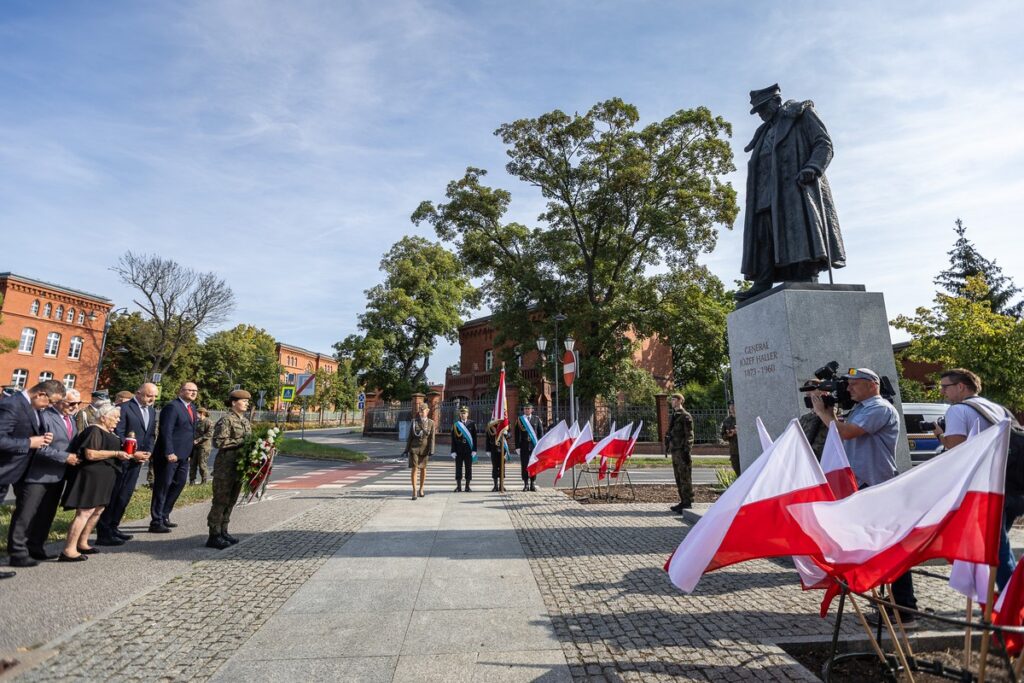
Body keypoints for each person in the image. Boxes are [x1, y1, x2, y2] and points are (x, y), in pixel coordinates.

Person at [811, 367, 916, 627]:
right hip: (864, 486)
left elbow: (845, 433)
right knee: (874, 547)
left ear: (872, 384)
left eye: (854, 384)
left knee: (891, 547)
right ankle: (887, 606)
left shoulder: (878, 408)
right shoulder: (860, 408)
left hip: (877, 485)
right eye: (848, 385)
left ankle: (904, 610)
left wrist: (825, 413)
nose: (849, 389)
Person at [736, 84, 846, 301]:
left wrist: (813, 167)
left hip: (793, 189)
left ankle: (806, 274)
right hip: (764, 193)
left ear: (776, 102)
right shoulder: (764, 132)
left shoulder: (801, 114)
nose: (761, 114)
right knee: (763, 236)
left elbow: (824, 144)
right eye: (757, 111)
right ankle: (763, 280)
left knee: (798, 231)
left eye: (763, 108)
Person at [933, 368, 1022, 589]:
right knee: (993, 546)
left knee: (996, 549)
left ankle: (1011, 607)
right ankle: (999, 599)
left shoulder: (958, 410)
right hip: (1013, 485)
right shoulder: (997, 408)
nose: (943, 392)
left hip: (987, 488)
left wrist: (939, 435)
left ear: (961, 386)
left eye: (945, 386)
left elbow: (957, 446)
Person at [5, 383, 71, 567]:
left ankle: (33, 547)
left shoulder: (39, 410)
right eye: (51, 401)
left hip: (51, 473)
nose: (49, 406)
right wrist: (31, 442)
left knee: (44, 514)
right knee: (26, 513)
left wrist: (43, 440)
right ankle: (17, 550)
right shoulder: (16, 406)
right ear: (41, 394)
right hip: (30, 472)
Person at [60, 403, 131, 562]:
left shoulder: (108, 432)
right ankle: (69, 549)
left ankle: (83, 542)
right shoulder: (94, 430)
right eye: (115, 417)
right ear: (104, 417)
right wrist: (116, 453)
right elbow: (90, 454)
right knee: (84, 512)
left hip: (105, 476)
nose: (118, 420)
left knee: (98, 510)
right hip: (91, 476)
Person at [96, 383, 157, 546]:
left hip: (137, 461)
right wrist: (132, 452)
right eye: (149, 395)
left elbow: (150, 434)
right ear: (139, 393)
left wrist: (148, 452)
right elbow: (118, 433)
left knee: (125, 495)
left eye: (154, 396)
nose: (152, 399)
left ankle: (114, 526)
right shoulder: (124, 408)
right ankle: (103, 531)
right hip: (122, 459)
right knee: (114, 494)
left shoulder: (151, 410)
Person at [206, 390, 253, 549]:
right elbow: (219, 442)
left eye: (247, 401)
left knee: (231, 501)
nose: (247, 403)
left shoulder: (245, 422)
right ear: (234, 403)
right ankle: (214, 535)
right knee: (220, 501)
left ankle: (224, 530)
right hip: (225, 468)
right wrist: (242, 441)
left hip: (239, 467)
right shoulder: (226, 420)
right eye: (244, 401)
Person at [150, 382, 198, 533]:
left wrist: (189, 453)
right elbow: (166, 431)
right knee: (163, 487)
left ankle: (165, 514)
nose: (193, 393)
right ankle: (156, 520)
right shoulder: (173, 407)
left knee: (179, 483)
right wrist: (169, 452)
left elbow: (189, 432)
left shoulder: (192, 408)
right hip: (169, 455)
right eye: (190, 390)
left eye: (195, 391)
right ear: (181, 391)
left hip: (184, 455)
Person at [666, 392, 694, 512]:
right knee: (678, 477)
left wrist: (687, 451)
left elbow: (690, 435)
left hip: (682, 451)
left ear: (679, 401)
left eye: (673, 400)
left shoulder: (685, 416)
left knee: (685, 477)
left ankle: (687, 502)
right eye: (671, 400)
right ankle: (682, 501)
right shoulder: (674, 416)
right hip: (675, 451)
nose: (672, 402)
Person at [404, 403, 435, 500]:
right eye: (420, 411)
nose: (421, 413)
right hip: (414, 448)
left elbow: (432, 438)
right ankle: (414, 490)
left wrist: (432, 449)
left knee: (423, 469)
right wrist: (406, 449)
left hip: (425, 449)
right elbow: (410, 437)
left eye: (423, 411)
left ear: (427, 411)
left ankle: (421, 489)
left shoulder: (431, 423)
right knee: (414, 468)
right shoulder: (414, 422)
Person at [516, 403, 544, 491]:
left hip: (534, 446)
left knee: (533, 465)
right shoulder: (520, 420)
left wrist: (539, 445)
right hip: (524, 446)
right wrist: (517, 447)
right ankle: (525, 484)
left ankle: (532, 484)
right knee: (524, 465)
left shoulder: (536, 419)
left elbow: (540, 433)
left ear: (532, 410)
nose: (527, 410)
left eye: (528, 409)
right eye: (525, 409)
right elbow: (517, 434)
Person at [450, 406, 477, 492]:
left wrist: (474, 450)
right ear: (460, 414)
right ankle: (458, 486)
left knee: (468, 468)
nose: (463, 414)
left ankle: (467, 486)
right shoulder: (456, 424)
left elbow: (475, 438)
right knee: (458, 468)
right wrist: (453, 450)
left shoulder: (472, 424)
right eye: (461, 413)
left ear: (467, 414)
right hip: (458, 450)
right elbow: (453, 439)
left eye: (464, 413)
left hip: (468, 450)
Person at [190, 407, 214, 485]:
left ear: (202, 413)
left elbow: (210, 434)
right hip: (195, 446)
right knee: (193, 464)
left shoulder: (208, 422)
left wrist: (198, 440)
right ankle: (192, 481)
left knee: (202, 464)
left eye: (197, 413)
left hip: (204, 447)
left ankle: (203, 481)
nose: (196, 415)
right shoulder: (197, 422)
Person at [721, 402, 739, 475]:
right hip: (734, 451)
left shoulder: (742, 418)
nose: (732, 408)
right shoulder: (727, 421)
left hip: (745, 449)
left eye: (733, 406)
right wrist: (730, 435)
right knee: (738, 472)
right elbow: (723, 436)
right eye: (730, 407)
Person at [486, 419, 505, 492]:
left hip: (503, 448)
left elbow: (510, 434)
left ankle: (501, 485)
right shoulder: (490, 424)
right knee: (494, 467)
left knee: (502, 468)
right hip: (493, 448)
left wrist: (506, 434)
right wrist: (488, 449)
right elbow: (488, 437)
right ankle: (495, 485)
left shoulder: (505, 422)